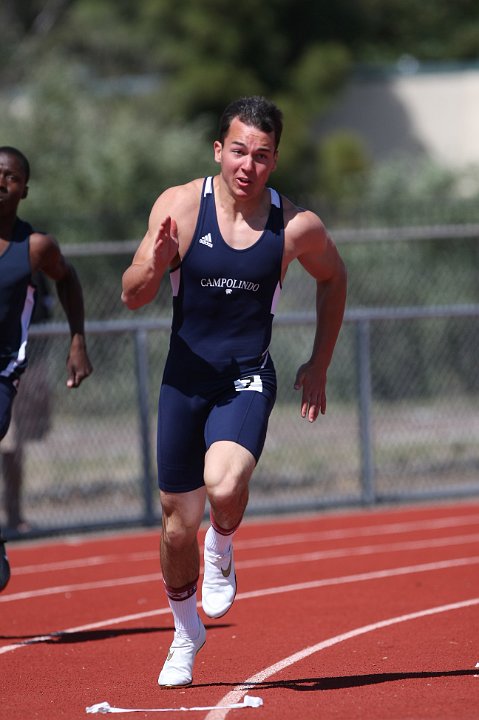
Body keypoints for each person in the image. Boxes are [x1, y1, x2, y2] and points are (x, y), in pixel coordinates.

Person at [121, 96, 347, 687]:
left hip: (246, 375)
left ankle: (222, 544)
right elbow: (131, 294)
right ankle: (184, 632)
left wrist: (319, 362)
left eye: (263, 156)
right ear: (220, 150)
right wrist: (156, 263)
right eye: (239, 150)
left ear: (274, 162)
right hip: (184, 379)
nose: (249, 165)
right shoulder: (179, 206)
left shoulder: (295, 225)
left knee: (224, 484)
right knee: (175, 525)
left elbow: (335, 277)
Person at [0, 145, 93, 590]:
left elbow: (68, 278)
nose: (1, 182)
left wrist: (78, 339)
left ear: (24, 190)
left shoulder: (35, 248)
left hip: (2, 370)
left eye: (11, 176)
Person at [1, 270, 53, 535]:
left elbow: (46, 311)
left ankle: (14, 514)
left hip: (16, 370)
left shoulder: (28, 257)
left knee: (13, 447)